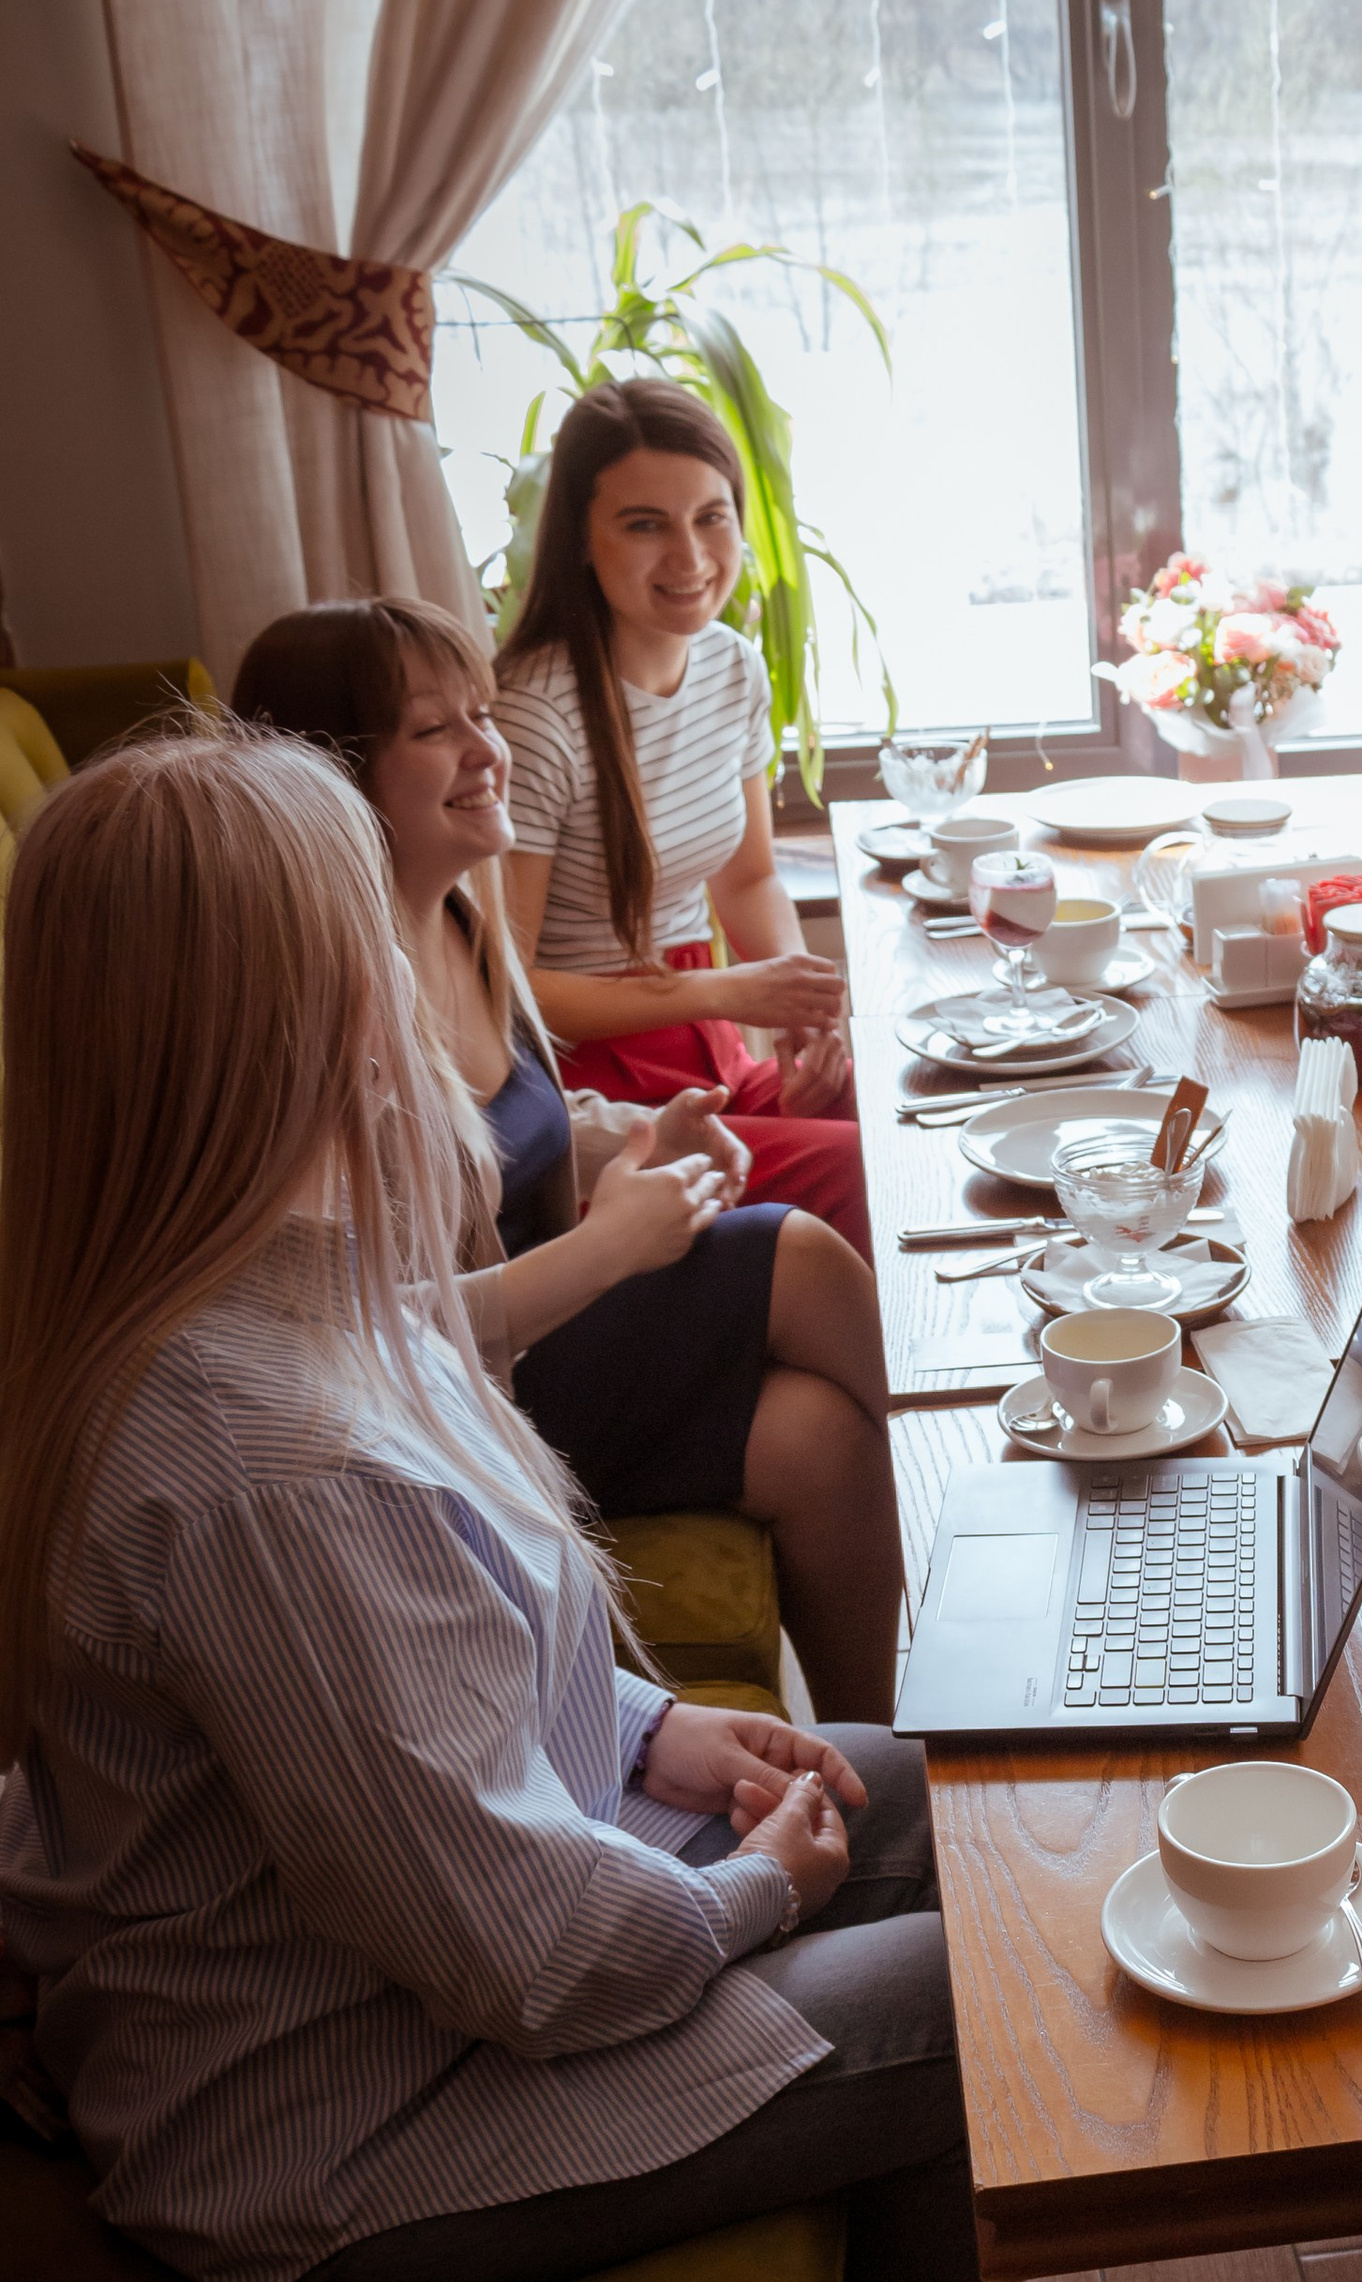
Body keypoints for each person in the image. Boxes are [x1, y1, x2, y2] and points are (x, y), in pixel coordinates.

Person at [0, 731, 1301, 2282]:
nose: (405, 982)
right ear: (297, 1029)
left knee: (981, 1805)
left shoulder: (287, 1306)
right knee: (990, 1986)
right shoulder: (254, 1461)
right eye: (365, 946)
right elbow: (521, 1953)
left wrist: (655, 1738)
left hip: (425, 1965)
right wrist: (758, 1891)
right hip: (348, 2131)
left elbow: (453, 1673)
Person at [235, 595, 902, 1724]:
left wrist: (633, 1137)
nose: (487, 751)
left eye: (481, 715)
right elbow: (363, 1339)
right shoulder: (319, 1008)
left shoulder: (450, 910)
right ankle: (1038, 1504)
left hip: (541, 1324)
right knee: (803, 1252)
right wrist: (605, 1248)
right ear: (330, 771)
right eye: (432, 729)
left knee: (820, 1442)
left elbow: (519, 1117)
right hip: (459, 1392)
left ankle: (892, 1745)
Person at [494, 377, 869, 1253]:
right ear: (580, 540)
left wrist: (800, 1027)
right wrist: (736, 990)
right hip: (597, 1092)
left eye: (711, 517)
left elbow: (751, 878)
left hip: (709, 1051)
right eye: (644, 523)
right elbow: (507, 997)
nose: (691, 555)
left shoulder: (734, 668)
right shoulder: (534, 715)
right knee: (863, 1169)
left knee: (904, 1107)